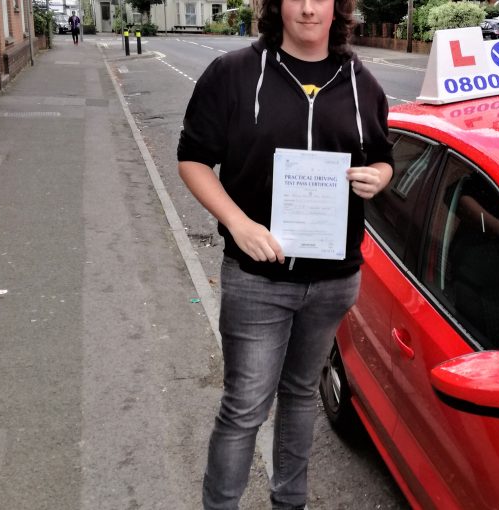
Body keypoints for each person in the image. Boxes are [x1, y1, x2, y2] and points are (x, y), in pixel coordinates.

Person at [176, 0, 394, 507]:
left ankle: (289, 501)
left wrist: (377, 177)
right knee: (246, 405)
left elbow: (383, 156)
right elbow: (192, 159)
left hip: (334, 281)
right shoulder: (232, 74)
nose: (308, 7)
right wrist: (238, 223)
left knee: (300, 396)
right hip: (256, 279)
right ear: (277, 5)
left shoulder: (362, 82)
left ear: (337, 7)